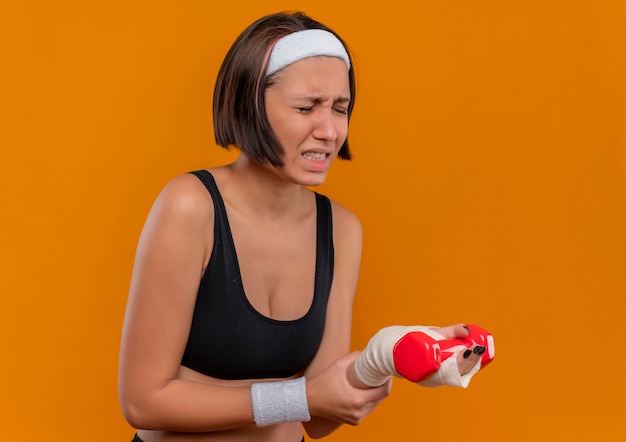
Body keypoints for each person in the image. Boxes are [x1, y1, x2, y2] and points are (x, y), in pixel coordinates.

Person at [118, 11, 486, 442]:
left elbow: (321, 418)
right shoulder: (191, 206)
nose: (329, 130)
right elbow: (143, 401)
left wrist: (394, 354)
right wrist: (301, 398)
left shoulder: (341, 230)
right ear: (251, 104)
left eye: (340, 108)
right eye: (306, 107)